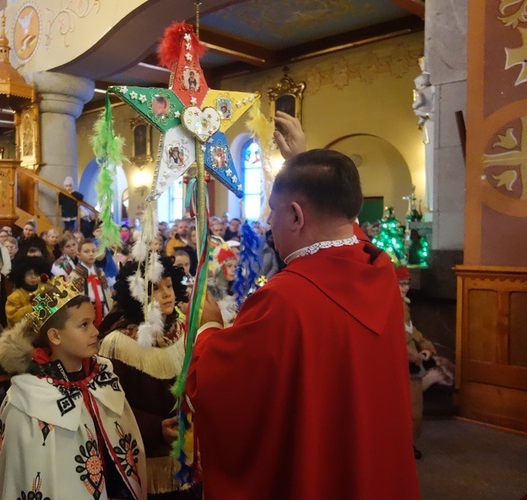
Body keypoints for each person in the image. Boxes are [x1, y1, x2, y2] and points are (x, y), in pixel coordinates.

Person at [187, 149, 419, 499]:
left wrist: (207, 327)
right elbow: (343, 224)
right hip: (375, 471)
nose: (269, 222)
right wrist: (301, 159)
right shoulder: (378, 269)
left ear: (295, 215)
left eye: (272, 210)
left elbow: (215, 389)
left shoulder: (284, 299)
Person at [0, 277, 147, 499]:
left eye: (93, 322)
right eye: (84, 325)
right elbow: (24, 475)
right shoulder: (27, 399)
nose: (95, 331)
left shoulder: (103, 376)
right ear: (55, 336)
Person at [97, 257, 194, 498]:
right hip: (144, 460)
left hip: (187, 451)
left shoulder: (182, 330)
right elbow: (111, 407)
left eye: (169, 286)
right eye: (155, 289)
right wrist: (154, 429)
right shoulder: (117, 343)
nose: (166, 294)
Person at [397, 265, 438, 460]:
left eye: (407, 284)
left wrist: (425, 345)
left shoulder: (403, 304)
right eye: (401, 283)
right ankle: (406, 444)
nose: (405, 288)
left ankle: (408, 442)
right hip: (403, 362)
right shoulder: (392, 306)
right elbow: (397, 337)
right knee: (410, 407)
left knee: (413, 406)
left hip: (411, 359)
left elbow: (411, 330)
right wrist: (415, 356)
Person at [68, 239, 111, 327]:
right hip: (86, 311)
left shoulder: (100, 273)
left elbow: (107, 294)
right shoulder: (75, 275)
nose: (91, 254)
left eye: (93, 251)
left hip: (102, 310)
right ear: (79, 255)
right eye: (86, 251)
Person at [5, 256, 51, 327]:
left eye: (36, 274)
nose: (33, 277)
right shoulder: (14, 297)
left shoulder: (45, 290)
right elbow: (13, 319)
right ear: (22, 276)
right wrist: (33, 307)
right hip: (23, 333)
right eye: (29, 274)